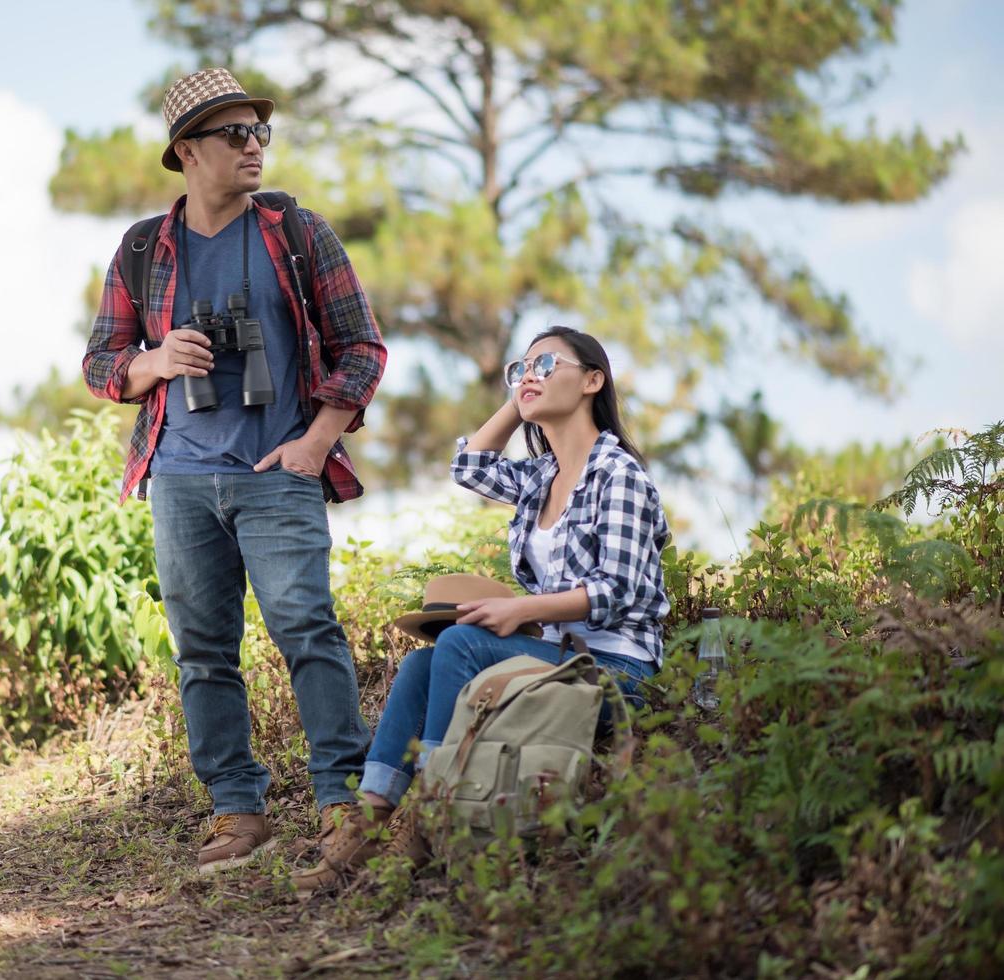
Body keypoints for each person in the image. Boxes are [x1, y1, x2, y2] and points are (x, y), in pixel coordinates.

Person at [82, 68, 387, 873]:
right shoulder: (144, 249)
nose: (253, 147)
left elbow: (362, 348)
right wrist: (154, 360)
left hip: (277, 469)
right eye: (233, 134)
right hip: (178, 478)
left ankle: (341, 801)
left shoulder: (295, 231)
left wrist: (315, 443)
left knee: (307, 632)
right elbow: (99, 365)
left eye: (260, 133)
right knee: (203, 652)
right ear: (186, 151)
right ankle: (235, 811)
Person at [294, 325, 670, 889]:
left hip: (619, 672)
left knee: (461, 643)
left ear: (594, 380)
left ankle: (431, 812)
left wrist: (523, 610)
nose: (530, 376)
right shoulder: (543, 477)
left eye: (547, 365)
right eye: (521, 369)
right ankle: (370, 823)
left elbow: (622, 591)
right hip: (556, 657)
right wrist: (521, 398)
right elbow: (468, 466)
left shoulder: (619, 477)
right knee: (423, 664)